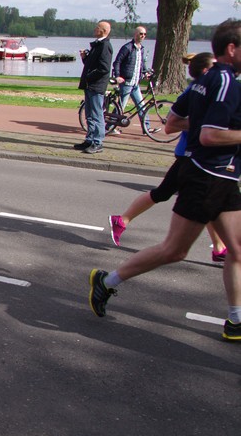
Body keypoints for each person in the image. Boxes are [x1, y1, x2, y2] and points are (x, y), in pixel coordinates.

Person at [88, 19, 241, 342]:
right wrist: (212, 130)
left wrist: (204, 125)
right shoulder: (224, 81)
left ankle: (236, 320)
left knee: (237, 250)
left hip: (224, 176)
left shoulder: (205, 80)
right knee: (174, 250)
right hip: (206, 176)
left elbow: (175, 122)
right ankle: (107, 281)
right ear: (232, 49)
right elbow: (210, 136)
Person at [107, 53, 226, 261]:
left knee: (191, 199)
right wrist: (205, 124)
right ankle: (214, 248)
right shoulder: (194, 91)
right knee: (189, 198)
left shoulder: (211, 90)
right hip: (189, 155)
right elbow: (171, 125)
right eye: (215, 67)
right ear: (206, 71)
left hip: (198, 156)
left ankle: (218, 248)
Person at [75, 21, 113, 154]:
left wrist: (89, 76)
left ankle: (98, 142)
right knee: (89, 114)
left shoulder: (105, 46)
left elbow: (104, 68)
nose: (95, 29)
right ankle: (89, 139)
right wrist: (85, 58)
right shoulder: (97, 45)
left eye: (97, 27)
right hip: (90, 85)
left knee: (97, 114)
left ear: (103, 31)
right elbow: (91, 64)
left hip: (96, 86)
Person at [111, 26, 151, 133]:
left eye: (144, 34)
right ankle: (110, 127)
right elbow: (117, 62)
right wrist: (118, 76)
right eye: (141, 34)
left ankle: (146, 129)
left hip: (135, 84)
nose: (143, 36)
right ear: (135, 34)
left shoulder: (141, 49)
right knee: (121, 107)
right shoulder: (127, 47)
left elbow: (141, 64)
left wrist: (145, 72)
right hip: (127, 82)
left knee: (141, 106)